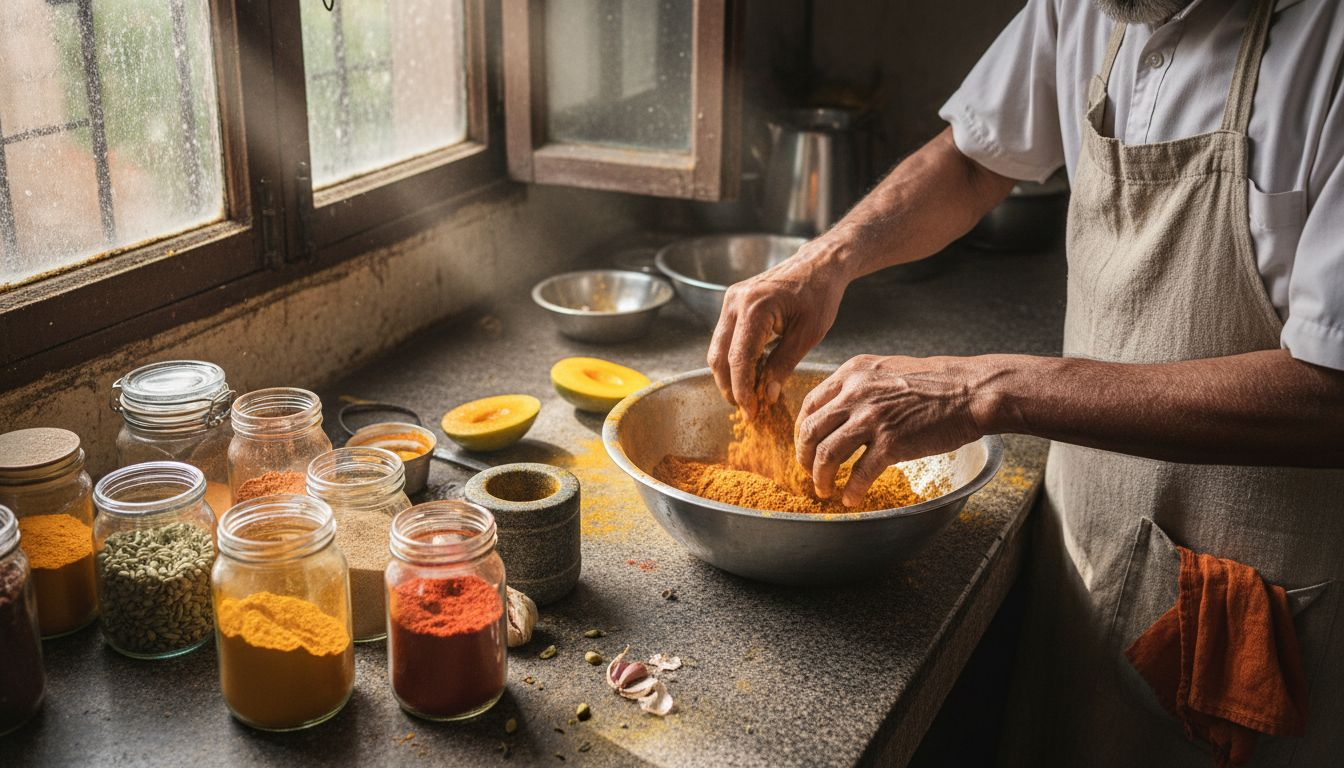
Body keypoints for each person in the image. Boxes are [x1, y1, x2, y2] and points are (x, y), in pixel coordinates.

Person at [708, 0, 1344, 764]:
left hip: (1259, 602)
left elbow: (1327, 395)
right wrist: (828, 259)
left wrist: (984, 388)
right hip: (1089, 543)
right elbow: (977, 157)